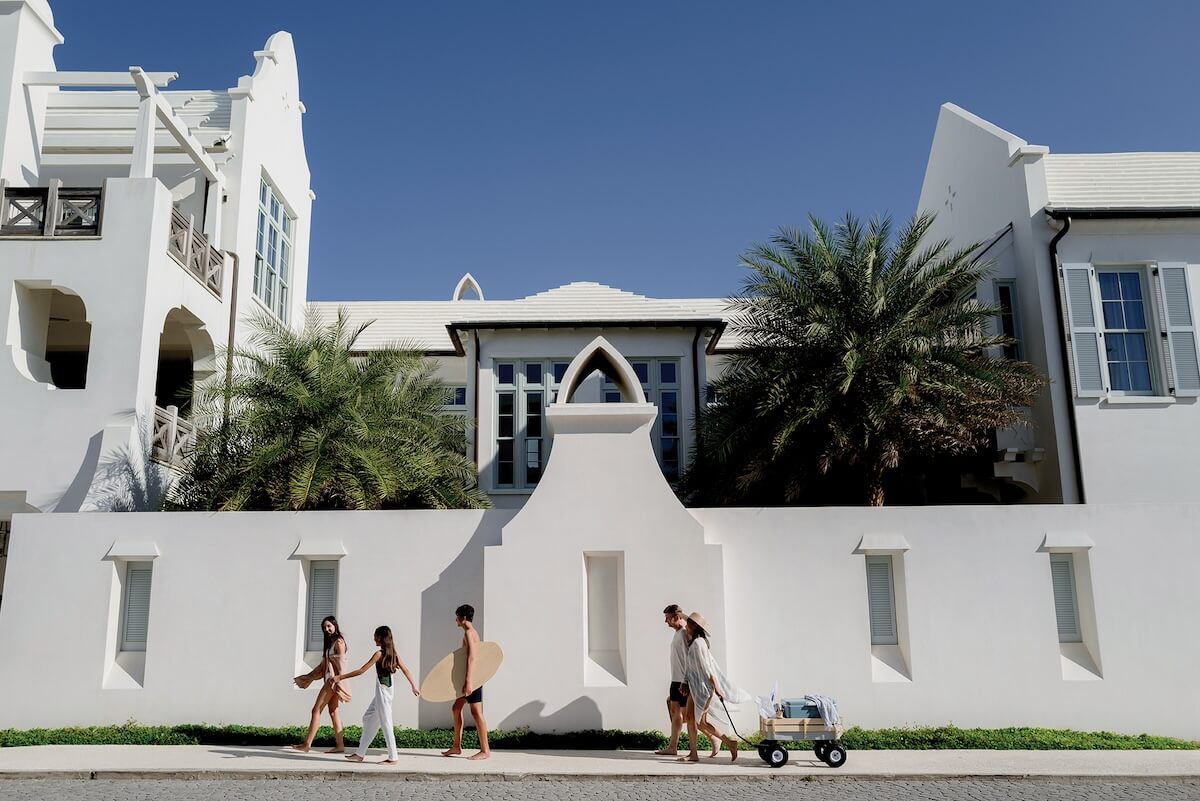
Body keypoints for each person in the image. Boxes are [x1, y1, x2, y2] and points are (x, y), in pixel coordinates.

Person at [337, 625, 419, 765]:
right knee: (368, 718)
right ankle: (360, 754)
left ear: (380, 637)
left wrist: (341, 677)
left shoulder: (379, 654)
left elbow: (362, 670)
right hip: (386, 690)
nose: (373, 638)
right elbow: (406, 670)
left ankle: (393, 757)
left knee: (386, 722)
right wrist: (413, 686)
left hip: (383, 691)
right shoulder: (394, 654)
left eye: (375, 635)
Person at [680, 612, 750, 763]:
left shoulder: (698, 643)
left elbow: (707, 668)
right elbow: (689, 666)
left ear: (694, 626)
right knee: (691, 718)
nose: (686, 626)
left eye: (689, 624)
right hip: (695, 686)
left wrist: (716, 686)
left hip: (703, 688)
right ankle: (693, 754)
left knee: (699, 722)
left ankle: (729, 743)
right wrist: (684, 682)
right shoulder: (693, 642)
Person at [291, 615, 349, 753]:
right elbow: (323, 666)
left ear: (335, 625)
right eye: (324, 627)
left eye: (329, 626)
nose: (327, 629)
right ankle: (340, 745)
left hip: (332, 682)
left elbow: (342, 665)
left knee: (316, 710)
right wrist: (308, 677)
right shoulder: (331, 643)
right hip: (332, 680)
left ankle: (306, 745)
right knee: (334, 712)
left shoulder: (339, 643)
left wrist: (339, 683)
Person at [441, 604, 491, 761]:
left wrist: (469, 682)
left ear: (463, 618)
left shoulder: (470, 633)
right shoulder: (469, 632)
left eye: (457, 616)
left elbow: (472, 658)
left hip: (473, 679)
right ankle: (456, 746)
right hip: (468, 679)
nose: (455, 620)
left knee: (476, 713)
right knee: (456, 708)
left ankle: (485, 750)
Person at [655, 604, 688, 756]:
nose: (665, 622)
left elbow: (688, 659)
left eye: (667, 618)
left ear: (676, 617)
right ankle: (673, 746)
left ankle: (719, 739)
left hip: (681, 681)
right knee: (676, 711)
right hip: (677, 679)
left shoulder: (683, 634)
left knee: (693, 718)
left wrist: (684, 682)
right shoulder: (679, 633)